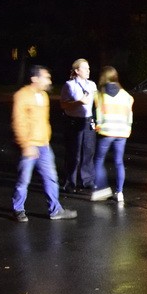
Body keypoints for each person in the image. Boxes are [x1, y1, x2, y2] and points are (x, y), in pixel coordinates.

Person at [11, 65, 77, 222]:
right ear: (35, 78)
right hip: (29, 145)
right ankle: (18, 209)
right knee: (23, 180)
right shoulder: (22, 95)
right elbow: (18, 121)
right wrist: (26, 144)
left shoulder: (44, 96)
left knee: (51, 178)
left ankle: (55, 210)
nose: (49, 80)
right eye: (45, 77)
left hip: (44, 145)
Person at [90, 66, 134, 203]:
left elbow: (97, 116)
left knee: (98, 160)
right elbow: (129, 116)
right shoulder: (126, 96)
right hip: (122, 132)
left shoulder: (99, 95)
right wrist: (128, 128)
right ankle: (119, 192)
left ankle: (101, 188)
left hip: (106, 131)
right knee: (119, 162)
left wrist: (97, 126)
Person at [59, 58, 97, 192]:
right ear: (77, 71)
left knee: (89, 151)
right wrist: (78, 102)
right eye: (85, 68)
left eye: (89, 68)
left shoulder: (92, 85)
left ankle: (87, 180)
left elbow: (96, 102)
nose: (88, 70)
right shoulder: (69, 85)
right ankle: (70, 181)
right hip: (74, 121)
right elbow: (63, 104)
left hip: (88, 121)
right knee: (73, 153)